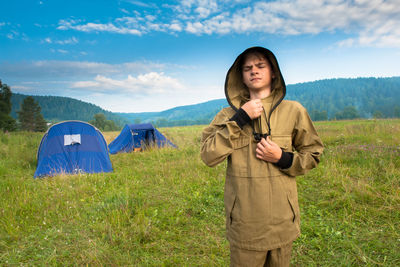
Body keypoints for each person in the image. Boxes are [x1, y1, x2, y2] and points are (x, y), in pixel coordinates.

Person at [200, 46, 324, 267]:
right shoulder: (228, 115)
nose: (253, 71)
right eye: (247, 68)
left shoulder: (293, 110)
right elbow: (208, 156)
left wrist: (282, 158)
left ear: (273, 72)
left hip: (282, 223)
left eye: (260, 66)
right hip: (245, 224)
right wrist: (240, 119)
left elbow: (313, 154)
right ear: (241, 77)